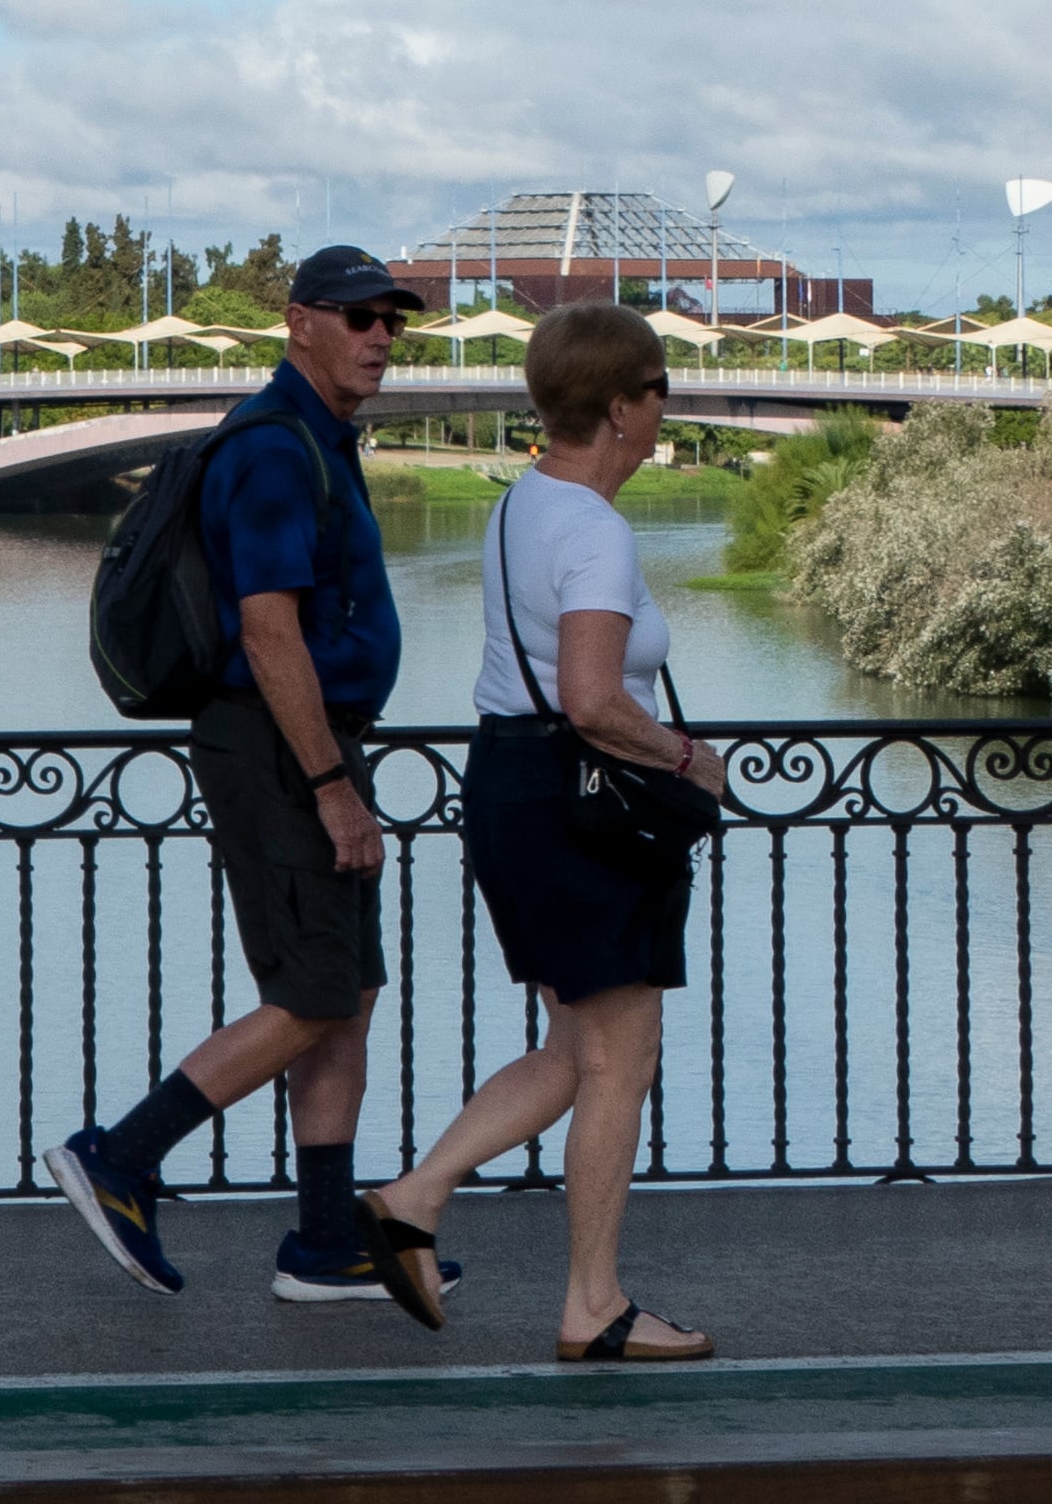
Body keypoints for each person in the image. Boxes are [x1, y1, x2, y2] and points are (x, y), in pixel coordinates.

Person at [43, 245, 459, 1311]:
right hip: (278, 748)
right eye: (359, 317)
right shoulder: (274, 448)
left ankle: (322, 1243)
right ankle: (121, 1156)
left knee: (346, 993)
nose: (380, 336)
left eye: (392, 321)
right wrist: (330, 785)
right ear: (298, 322)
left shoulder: (317, 438)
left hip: (310, 742)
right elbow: (269, 633)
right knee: (313, 991)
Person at [362, 300, 720, 1362]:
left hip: (512, 787)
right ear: (619, 407)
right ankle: (591, 1305)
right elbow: (592, 698)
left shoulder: (521, 503)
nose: (663, 410)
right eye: (658, 390)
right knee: (620, 1059)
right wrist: (687, 759)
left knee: (574, 1047)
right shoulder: (595, 531)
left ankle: (413, 1198)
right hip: (584, 805)